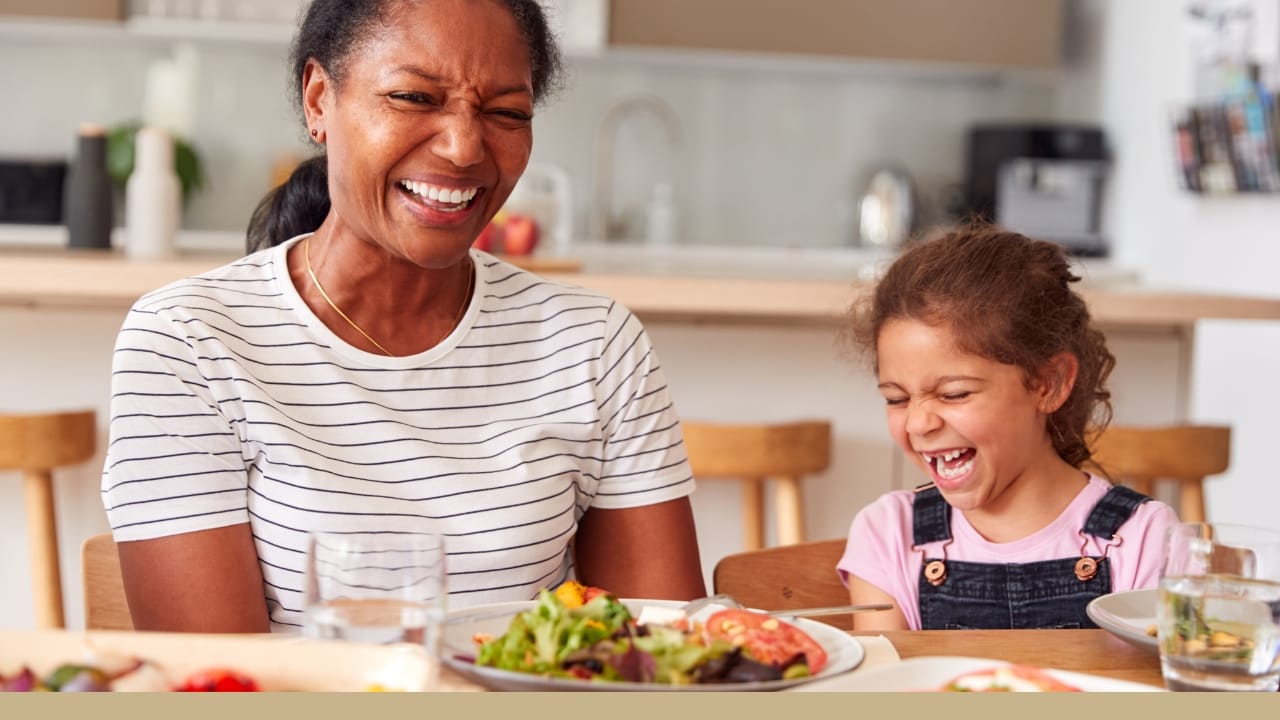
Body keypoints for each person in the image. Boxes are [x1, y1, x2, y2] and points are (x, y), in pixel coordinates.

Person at [101, 0, 706, 634]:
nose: (465, 148)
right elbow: (220, 683)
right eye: (415, 98)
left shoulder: (594, 343)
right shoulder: (189, 341)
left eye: (506, 113)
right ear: (318, 100)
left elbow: (662, 654)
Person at [837, 226, 1179, 631]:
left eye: (954, 394)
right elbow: (884, 690)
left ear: (1047, 384)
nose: (918, 422)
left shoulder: (1142, 539)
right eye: (896, 399)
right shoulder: (889, 533)